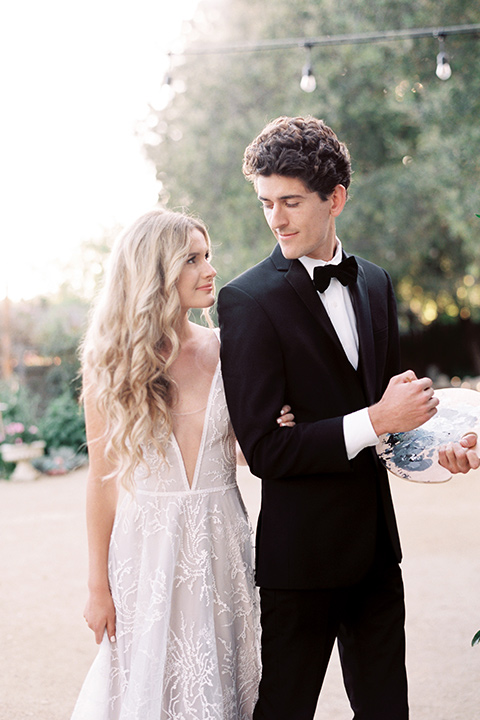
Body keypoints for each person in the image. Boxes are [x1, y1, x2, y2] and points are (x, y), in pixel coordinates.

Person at [217, 116, 439, 720]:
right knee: (285, 710)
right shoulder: (246, 300)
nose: (276, 219)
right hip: (301, 558)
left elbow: (397, 425)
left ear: (334, 198)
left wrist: (445, 452)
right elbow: (265, 452)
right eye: (266, 203)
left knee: (388, 708)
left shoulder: (375, 283)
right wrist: (375, 418)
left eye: (290, 201)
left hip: (374, 552)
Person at [70, 209, 294, 720]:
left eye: (208, 256)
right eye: (192, 259)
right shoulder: (111, 363)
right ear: (155, 271)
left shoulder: (228, 350)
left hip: (222, 547)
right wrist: (97, 587)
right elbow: (102, 482)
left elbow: (240, 450)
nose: (209, 270)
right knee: (149, 688)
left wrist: (273, 427)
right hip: (146, 552)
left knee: (222, 686)